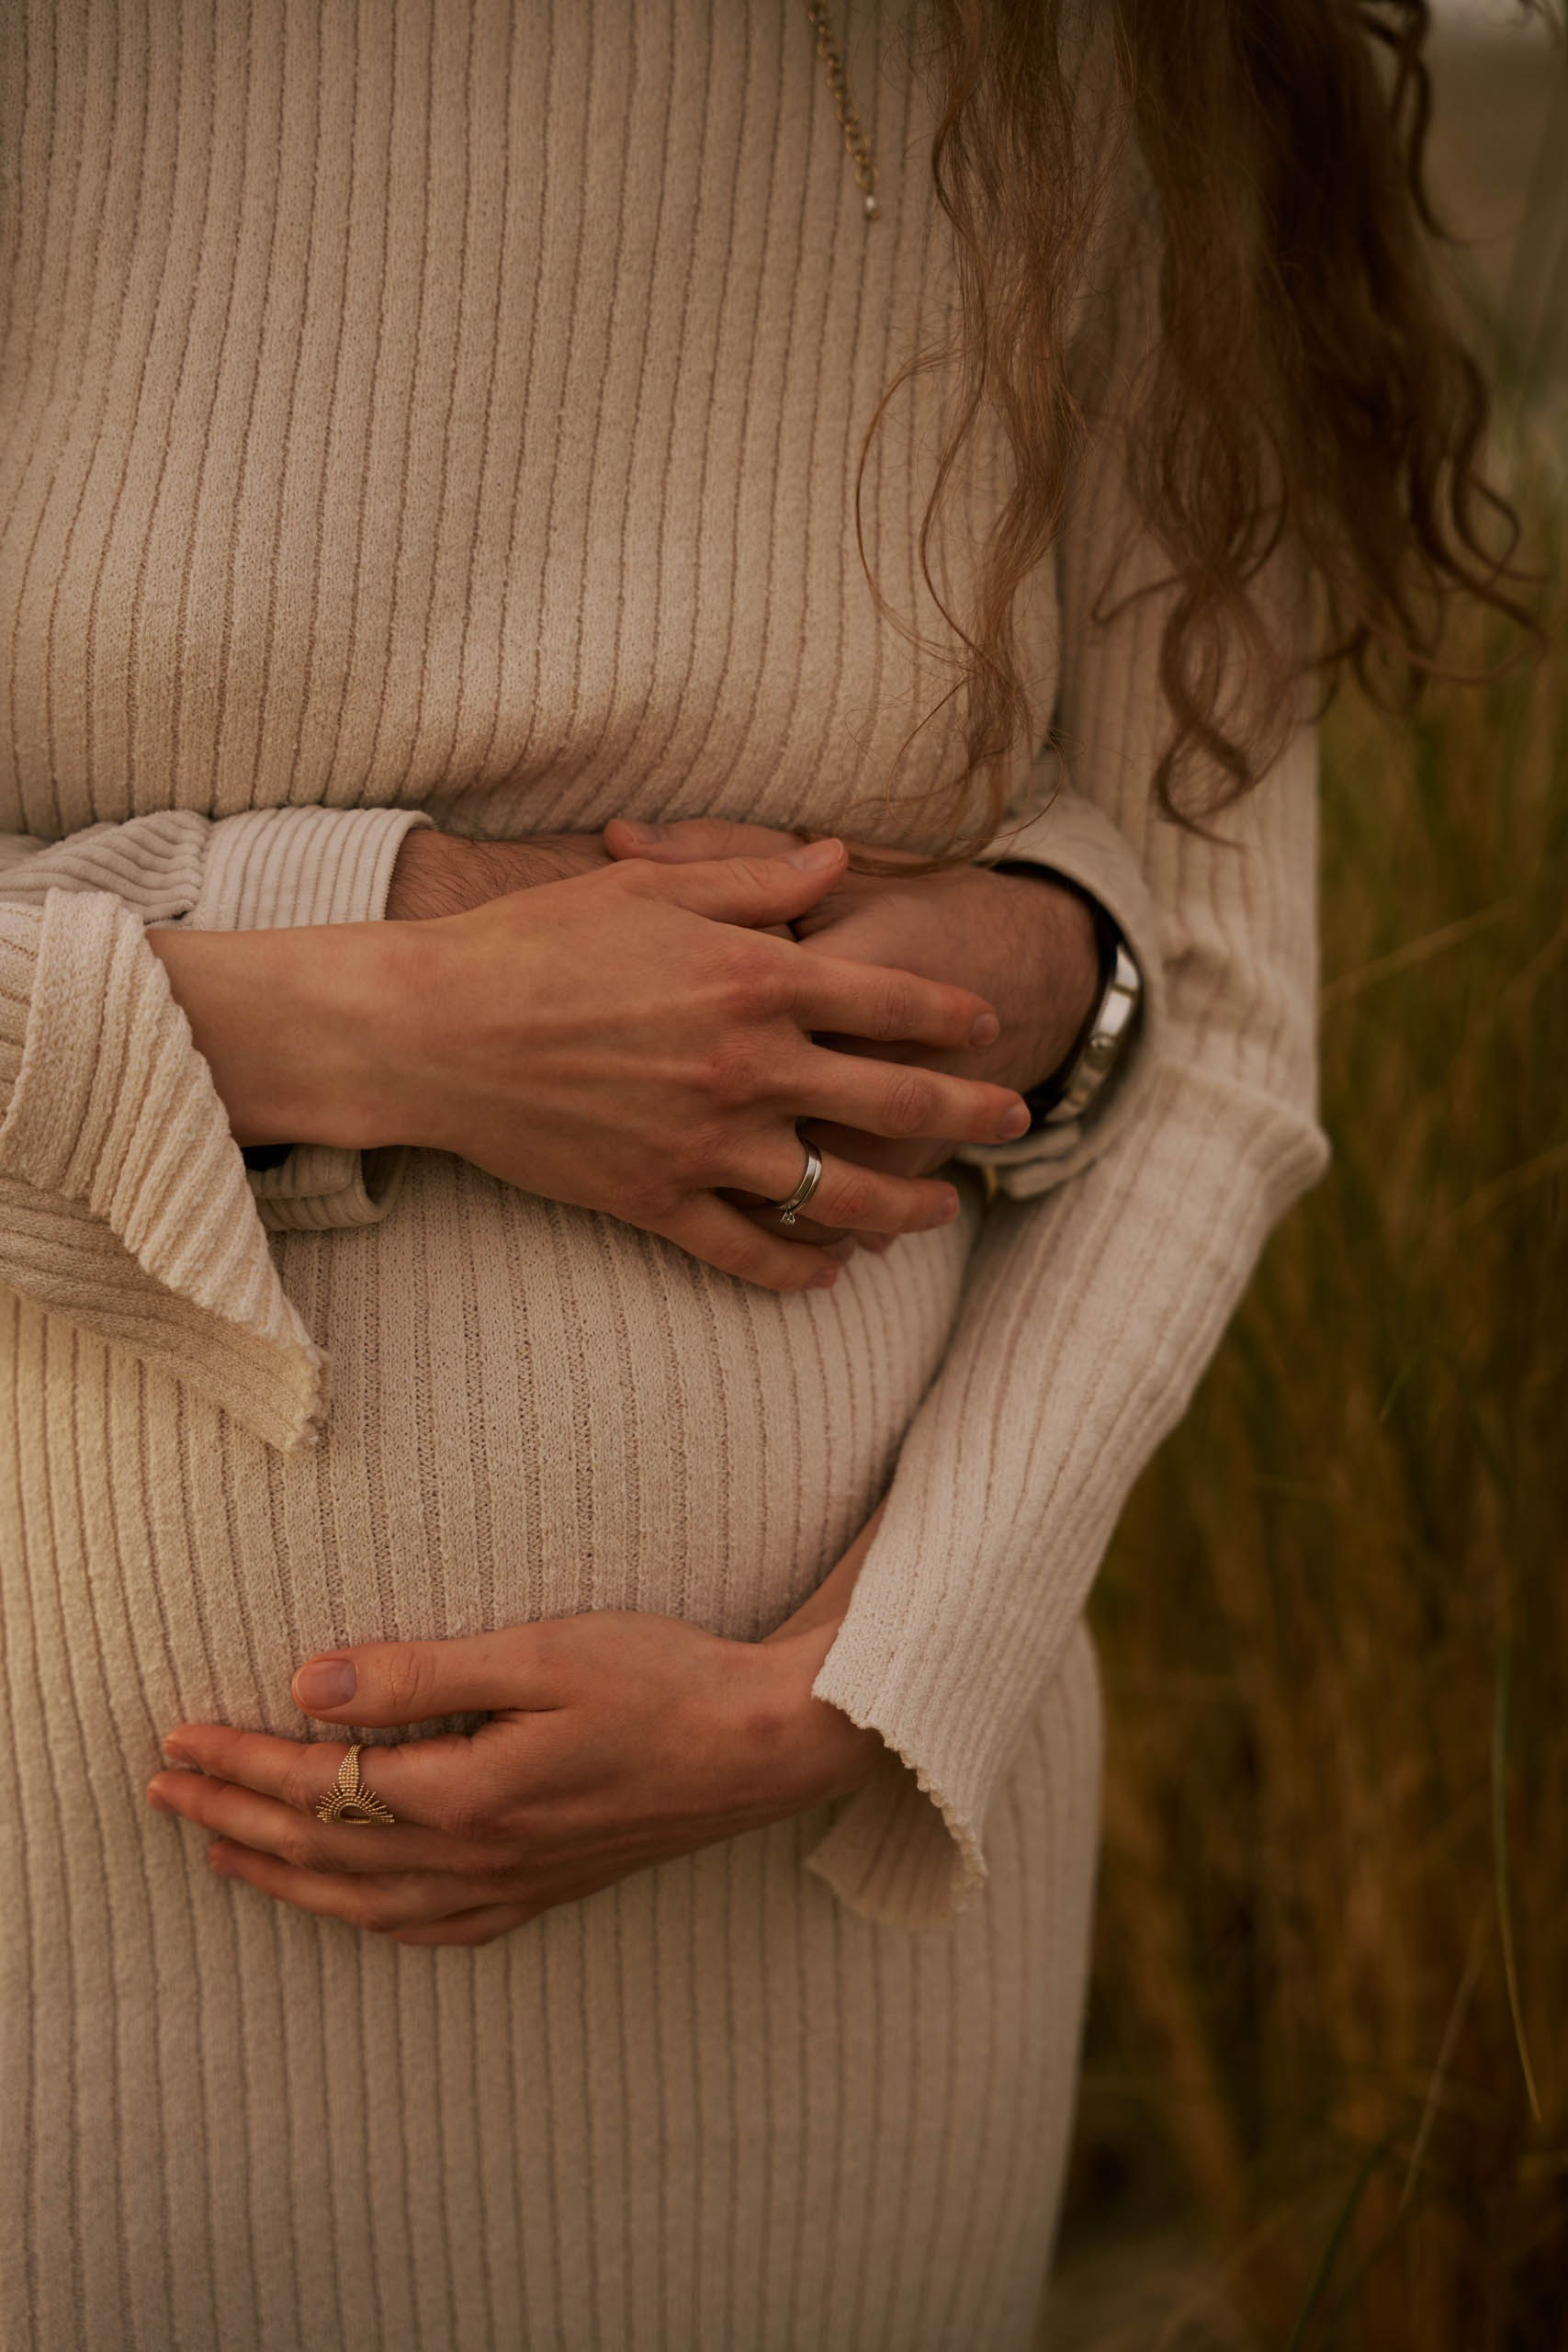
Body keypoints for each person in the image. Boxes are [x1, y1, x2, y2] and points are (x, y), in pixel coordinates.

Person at [0, 3, 1522, 2346]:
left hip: (825, 1923)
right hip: (63, 1904)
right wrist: (381, 993)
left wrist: (857, 1686)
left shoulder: (1120, 58)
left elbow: (1213, 1002)